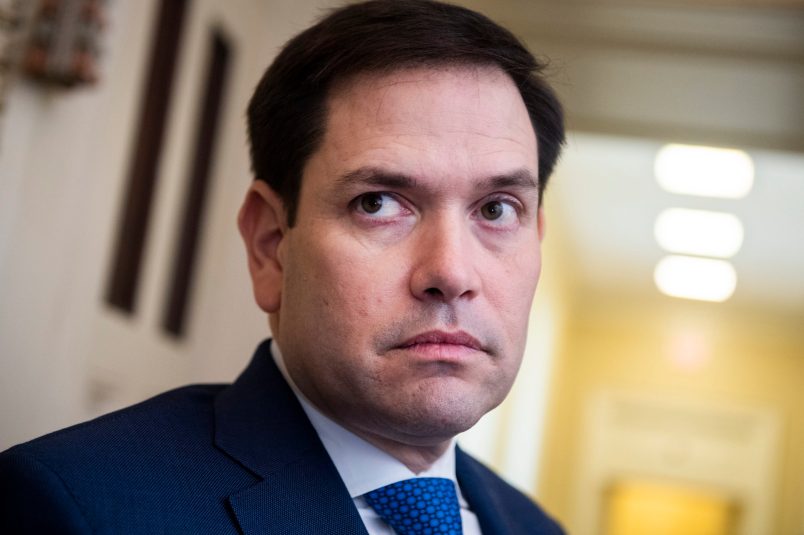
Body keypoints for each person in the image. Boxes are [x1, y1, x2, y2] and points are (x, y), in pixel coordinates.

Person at [0, 0, 566, 533]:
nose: (452, 272)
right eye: (377, 203)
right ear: (271, 244)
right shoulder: (80, 506)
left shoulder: (535, 527)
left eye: (496, 209)